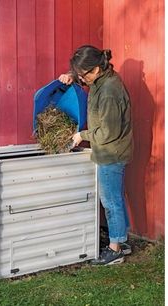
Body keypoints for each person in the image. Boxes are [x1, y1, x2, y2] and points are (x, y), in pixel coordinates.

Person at [59, 45, 133, 265]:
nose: (83, 79)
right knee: (115, 197)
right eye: (80, 74)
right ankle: (121, 241)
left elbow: (108, 132)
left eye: (84, 74)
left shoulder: (110, 90)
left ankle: (115, 250)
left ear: (97, 68)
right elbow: (84, 76)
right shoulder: (100, 78)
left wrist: (82, 135)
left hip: (111, 152)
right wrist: (70, 76)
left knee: (110, 201)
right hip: (111, 150)